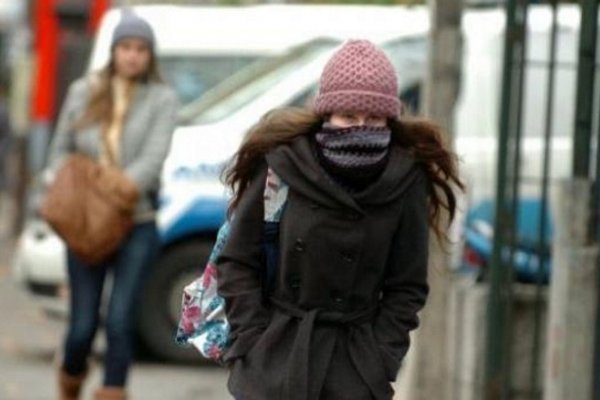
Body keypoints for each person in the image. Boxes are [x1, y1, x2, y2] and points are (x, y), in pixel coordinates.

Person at [217, 40, 463, 400]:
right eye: (348, 117)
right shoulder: (283, 168)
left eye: (374, 118)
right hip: (275, 362)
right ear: (326, 115)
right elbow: (237, 261)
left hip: (353, 369)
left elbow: (407, 286)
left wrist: (380, 360)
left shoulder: (405, 180)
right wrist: (253, 340)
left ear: (389, 119)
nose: (360, 128)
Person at [45, 12, 178, 400]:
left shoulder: (163, 98)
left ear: (149, 55)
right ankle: (69, 381)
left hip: (136, 221)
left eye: (140, 49)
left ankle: (112, 391)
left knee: (120, 321)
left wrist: (100, 187)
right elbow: (60, 154)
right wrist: (63, 191)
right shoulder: (83, 91)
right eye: (126, 47)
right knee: (82, 326)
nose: (132, 56)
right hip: (85, 225)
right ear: (114, 51)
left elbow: (151, 164)